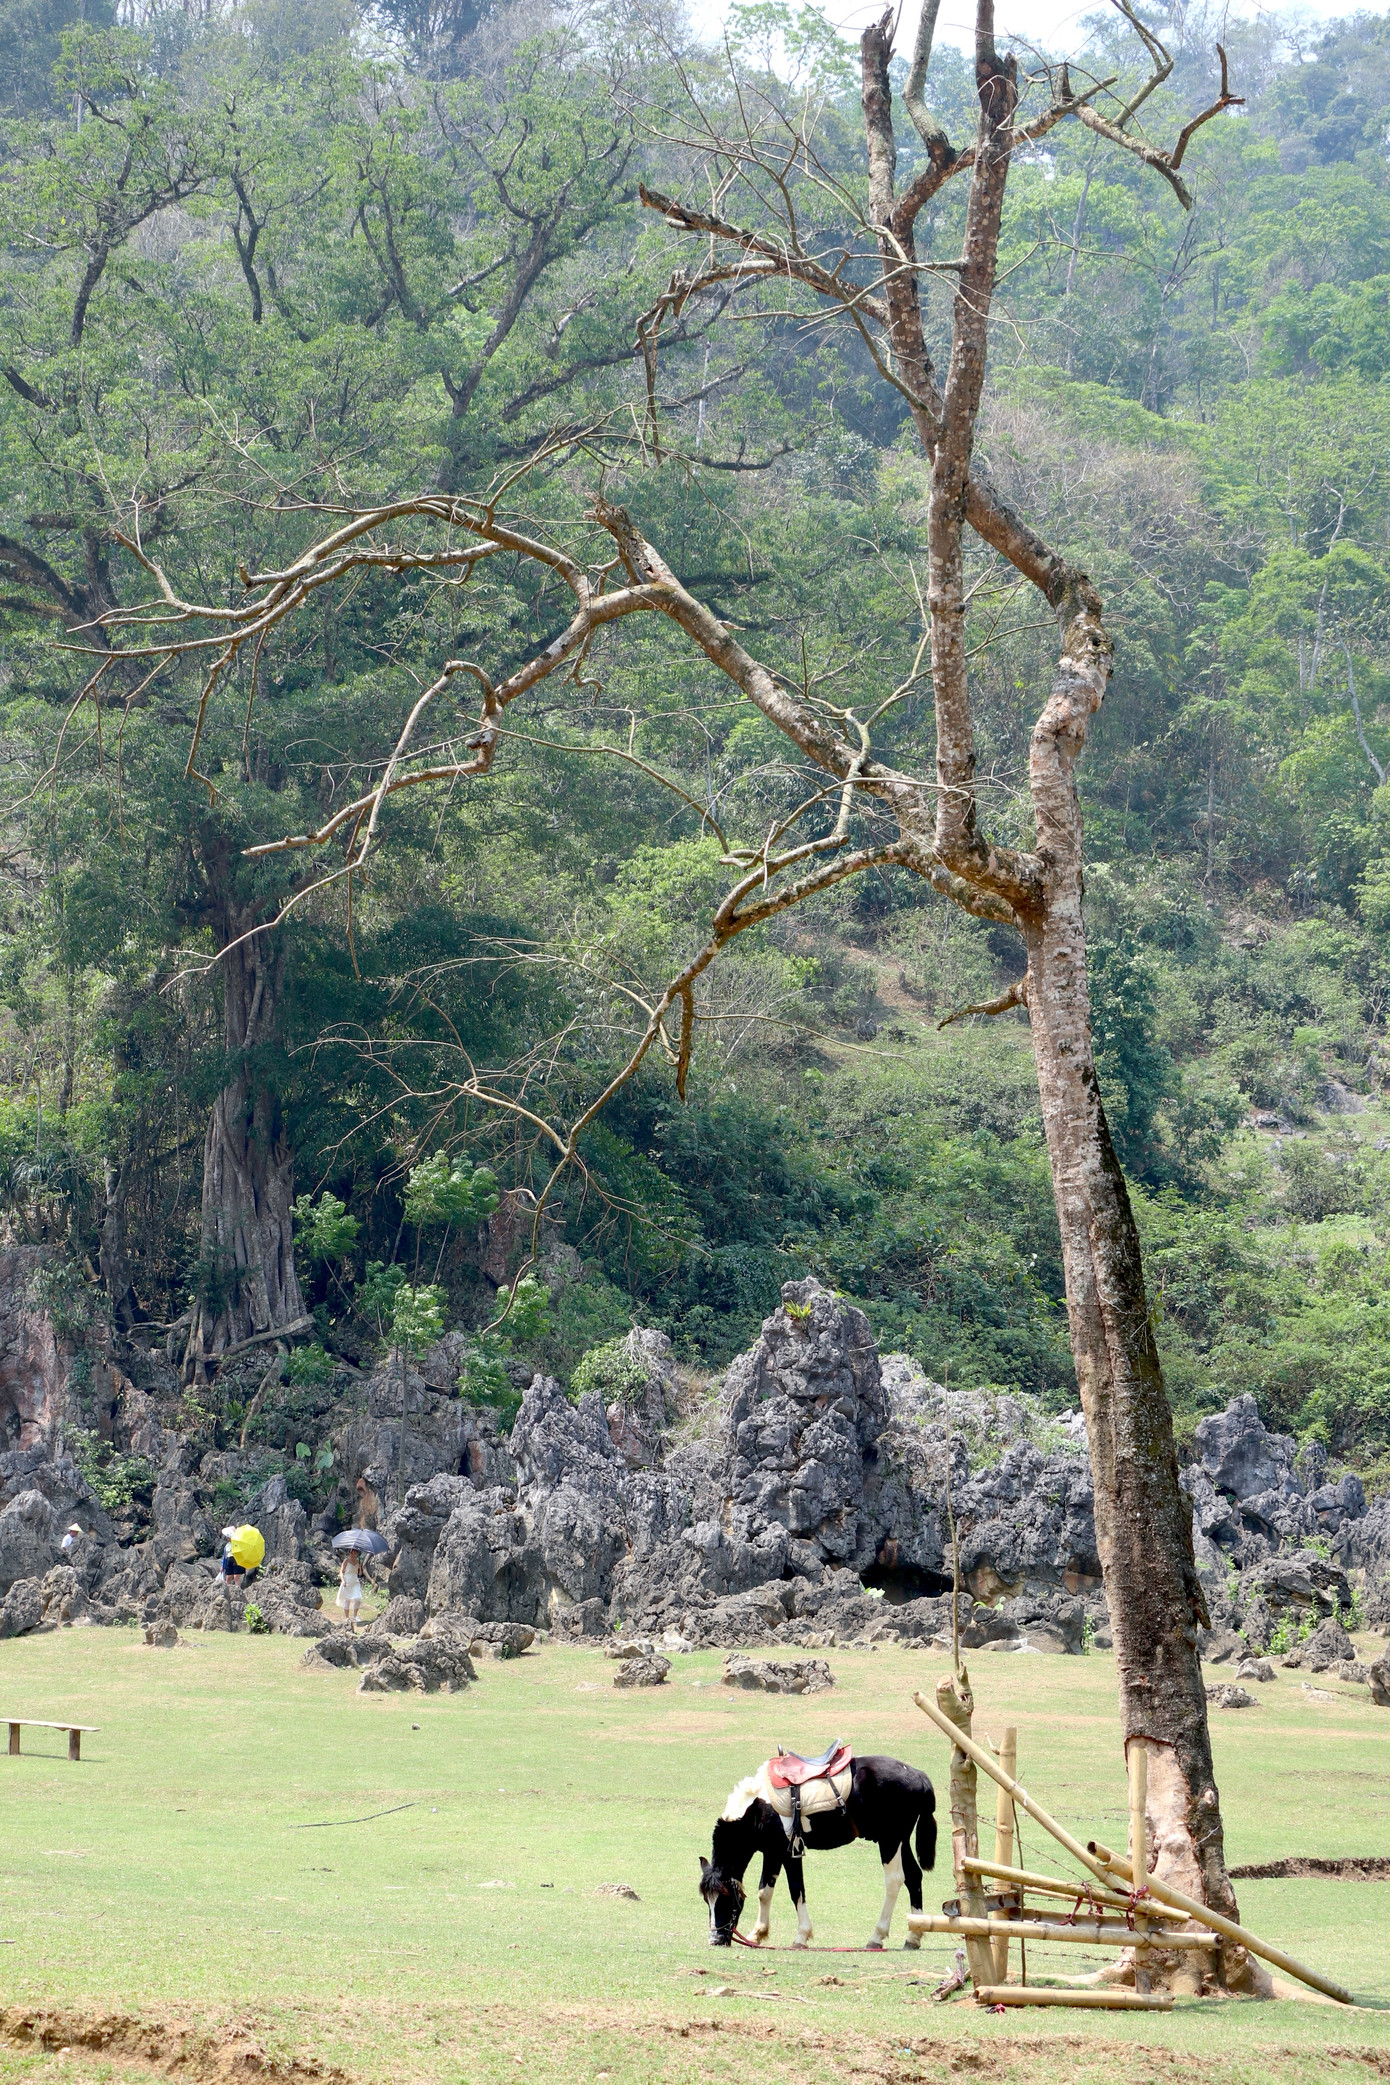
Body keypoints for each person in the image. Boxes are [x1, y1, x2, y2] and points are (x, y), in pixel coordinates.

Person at [337, 1549, 366, 1632]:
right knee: (347, 1599)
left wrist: (361, 1568)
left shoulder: (358, 1562)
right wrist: (343, 1580)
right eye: (351, 1553)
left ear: (356, 1553)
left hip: (355, 1580)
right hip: (347, 1580)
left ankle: (355, 1616)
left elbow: (359, 1574)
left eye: (355, 1553)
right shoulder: (346, 1561)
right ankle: (347, 1618)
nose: (353, 1554)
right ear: (349, 1553)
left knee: (357, 1597)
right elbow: (341, 1572)